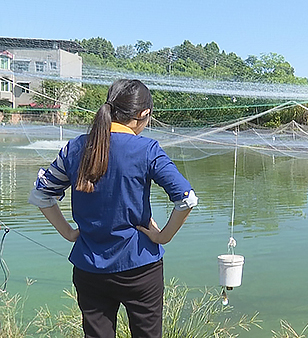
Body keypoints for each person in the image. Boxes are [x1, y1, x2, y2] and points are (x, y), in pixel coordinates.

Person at [28, 79, 198, 338]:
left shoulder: (75, 147)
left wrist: (67, 232)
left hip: (89, 267)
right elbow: (186, 198)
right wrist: (163, 236)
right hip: (140, 267)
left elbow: (42, 194)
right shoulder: (148, 149)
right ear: (143, 114)